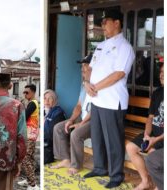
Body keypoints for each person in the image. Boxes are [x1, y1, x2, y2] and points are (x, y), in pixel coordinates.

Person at [83, 9, 135, 188]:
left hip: (113, 101)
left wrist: (95, 87)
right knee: (97, 136)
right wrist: (86, 82)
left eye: (106, 22)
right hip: (96, 100)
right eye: (102, 22)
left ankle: (116, 175)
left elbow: (119, 74)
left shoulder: (125, 47)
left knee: (113, 140)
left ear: (117, 23)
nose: (102, 25)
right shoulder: (100, 45)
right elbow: (90, 68)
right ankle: (99, 167)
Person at [50, 54, 92, 175]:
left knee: (76, 134)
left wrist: (81, 123)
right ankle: (65, 159)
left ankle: (76, 165)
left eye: (85, 65)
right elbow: (79, 105)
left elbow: (95, 110)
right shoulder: (84, 85)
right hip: (82, 117)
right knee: (59, 128)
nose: (82, 68)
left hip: (92, 119)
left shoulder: (98, 85)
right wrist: (72, 119)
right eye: (82, 65)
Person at [126, 63, 164, 190]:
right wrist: (147, 135)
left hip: (162, 137)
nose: (162, 74)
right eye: (161, 72)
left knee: (152, 155)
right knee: (131, 147)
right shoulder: (158, 93)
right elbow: (150, 117)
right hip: (153, 133)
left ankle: (159, 185)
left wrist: (155, 140)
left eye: (165, 72)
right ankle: (146, 181)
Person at [18, 84, 39, 190]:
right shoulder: (32, 103)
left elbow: (24, 117)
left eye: (27, 92)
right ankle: (29, 180)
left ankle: (33, 185)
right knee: (30, 158)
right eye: (24, 92)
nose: (25, 94)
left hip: (30, 135)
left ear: (33, 92)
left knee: (26, 159)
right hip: (31, 134)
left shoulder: (32, 104)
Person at [44, 89, 66, 164]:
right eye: (45, 98)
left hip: (50, 147)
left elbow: (50, 134)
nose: (46, 101)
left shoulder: (58, 113)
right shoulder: (45, 111)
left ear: (54, 99)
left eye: (50, 98)